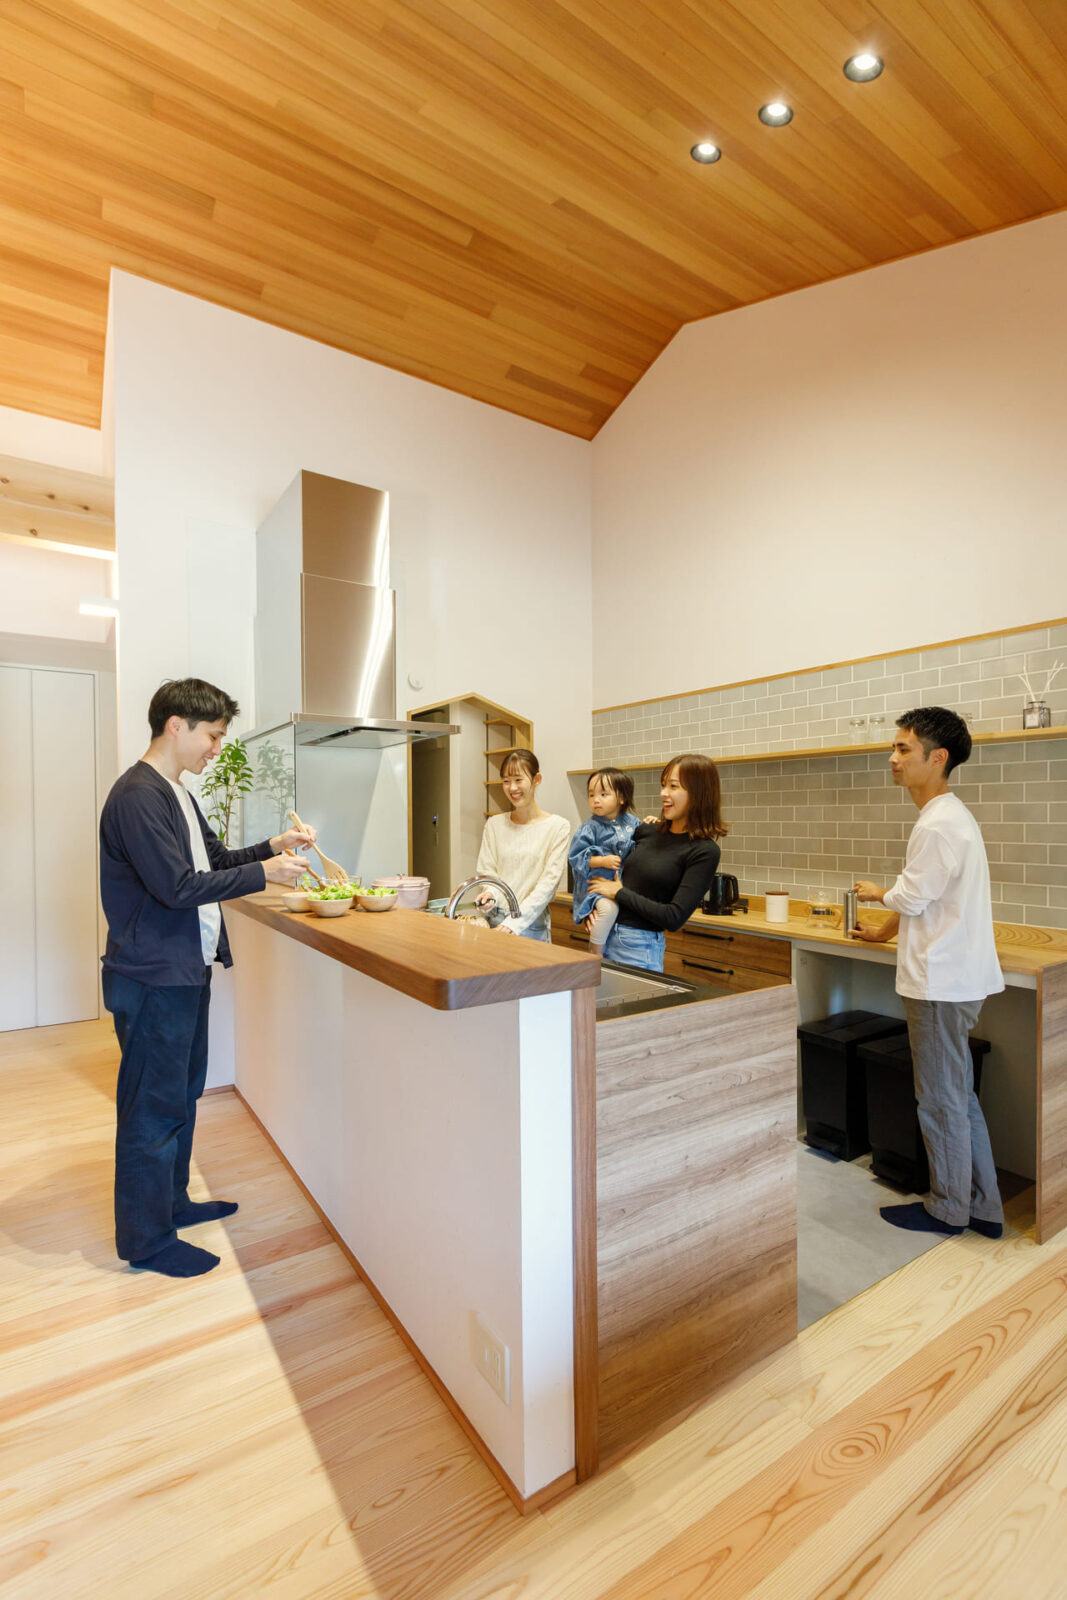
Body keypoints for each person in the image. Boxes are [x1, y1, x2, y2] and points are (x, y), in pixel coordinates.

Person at [100, 678, 315, 1279]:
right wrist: (268, 875)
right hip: (151, 978)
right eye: (214, 736)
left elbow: (214, 864)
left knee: (179, 1096)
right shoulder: (138, 796)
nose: (217, 749)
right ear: (178, 725)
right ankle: (146, 1241)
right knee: (152, 1109)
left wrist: (274, 846)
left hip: (182, 972)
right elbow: (177, 887)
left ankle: (171, 1203)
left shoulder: (177, 793)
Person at [852, 706, 1005, 1239]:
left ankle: (948, 1210)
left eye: (903, 749)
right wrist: (883, 931)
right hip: (955, 978)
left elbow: (913, 896)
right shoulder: (949, 817)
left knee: (940, 1099)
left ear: (937, 758)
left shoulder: (938, 824)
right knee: (957, 1096)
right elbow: (927, 898)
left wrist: (879, 893)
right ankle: (983, 1206)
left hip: (940, 983)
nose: (892, 758)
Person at [587, 753, 726, 972]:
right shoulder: (647, 831)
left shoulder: (704, 851)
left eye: (673, 786)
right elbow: (605, 866)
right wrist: (591, 909)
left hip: (638, 949)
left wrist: (619, 892)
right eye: (663, 785)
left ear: (699, 793)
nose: (663, 793)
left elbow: (673, 917)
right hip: (603, 934)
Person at [475, 749, 570, 940]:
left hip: (532, 924)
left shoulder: (558, 827)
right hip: (495, 920)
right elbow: (488, 873)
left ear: (537, 779)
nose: (512, 788)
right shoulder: (494, 825)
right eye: (506, 781)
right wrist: (490, 896)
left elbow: (548, 885)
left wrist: (514, 923)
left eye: (518, 780)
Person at [569, 767, 640, 953]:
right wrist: (602, 861)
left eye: (603, 794)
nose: (596, 800)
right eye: (591, 795)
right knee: (608, 910)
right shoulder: (589, 828)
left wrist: (652, 823)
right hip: (596, 887)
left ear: (622, 798)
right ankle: (595, 955)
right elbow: (575, 858)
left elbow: (646, 843)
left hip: (622, 887)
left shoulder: (634, 824)